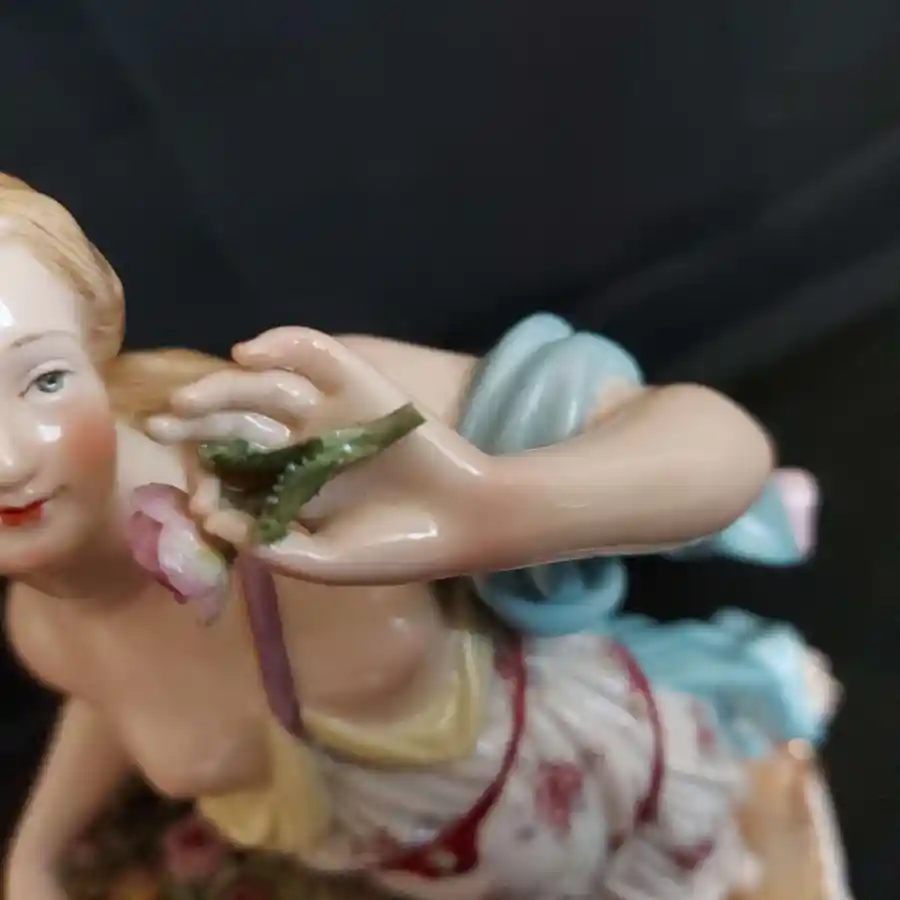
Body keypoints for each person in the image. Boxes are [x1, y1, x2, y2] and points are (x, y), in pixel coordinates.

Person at [1, 174, 848, 900]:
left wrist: (495, 507)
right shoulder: (44, 625)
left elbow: (721, 449)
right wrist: (34, 854)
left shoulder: (299, 429)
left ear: (95, 341)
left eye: (42, 380)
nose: (5, 462)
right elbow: (109, 686)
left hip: (623, 825)